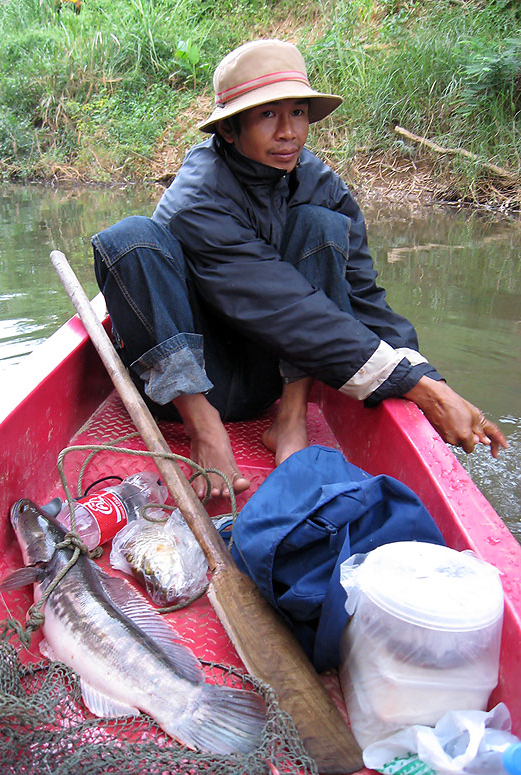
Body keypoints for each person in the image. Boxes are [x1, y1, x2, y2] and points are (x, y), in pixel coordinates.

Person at [92, 39, 507, 499]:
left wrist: (429, 381)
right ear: (229, 130)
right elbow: (284, 306)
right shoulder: (198, 198)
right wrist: (422, 391)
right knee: (129, 239)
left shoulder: (320, 185)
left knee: (318, 226)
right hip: (178, 389)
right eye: (268, 115)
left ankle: (291, 420)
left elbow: (363, 297)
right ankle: (205, 430)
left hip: (265, 380)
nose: (288, 132)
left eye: (298, 113)